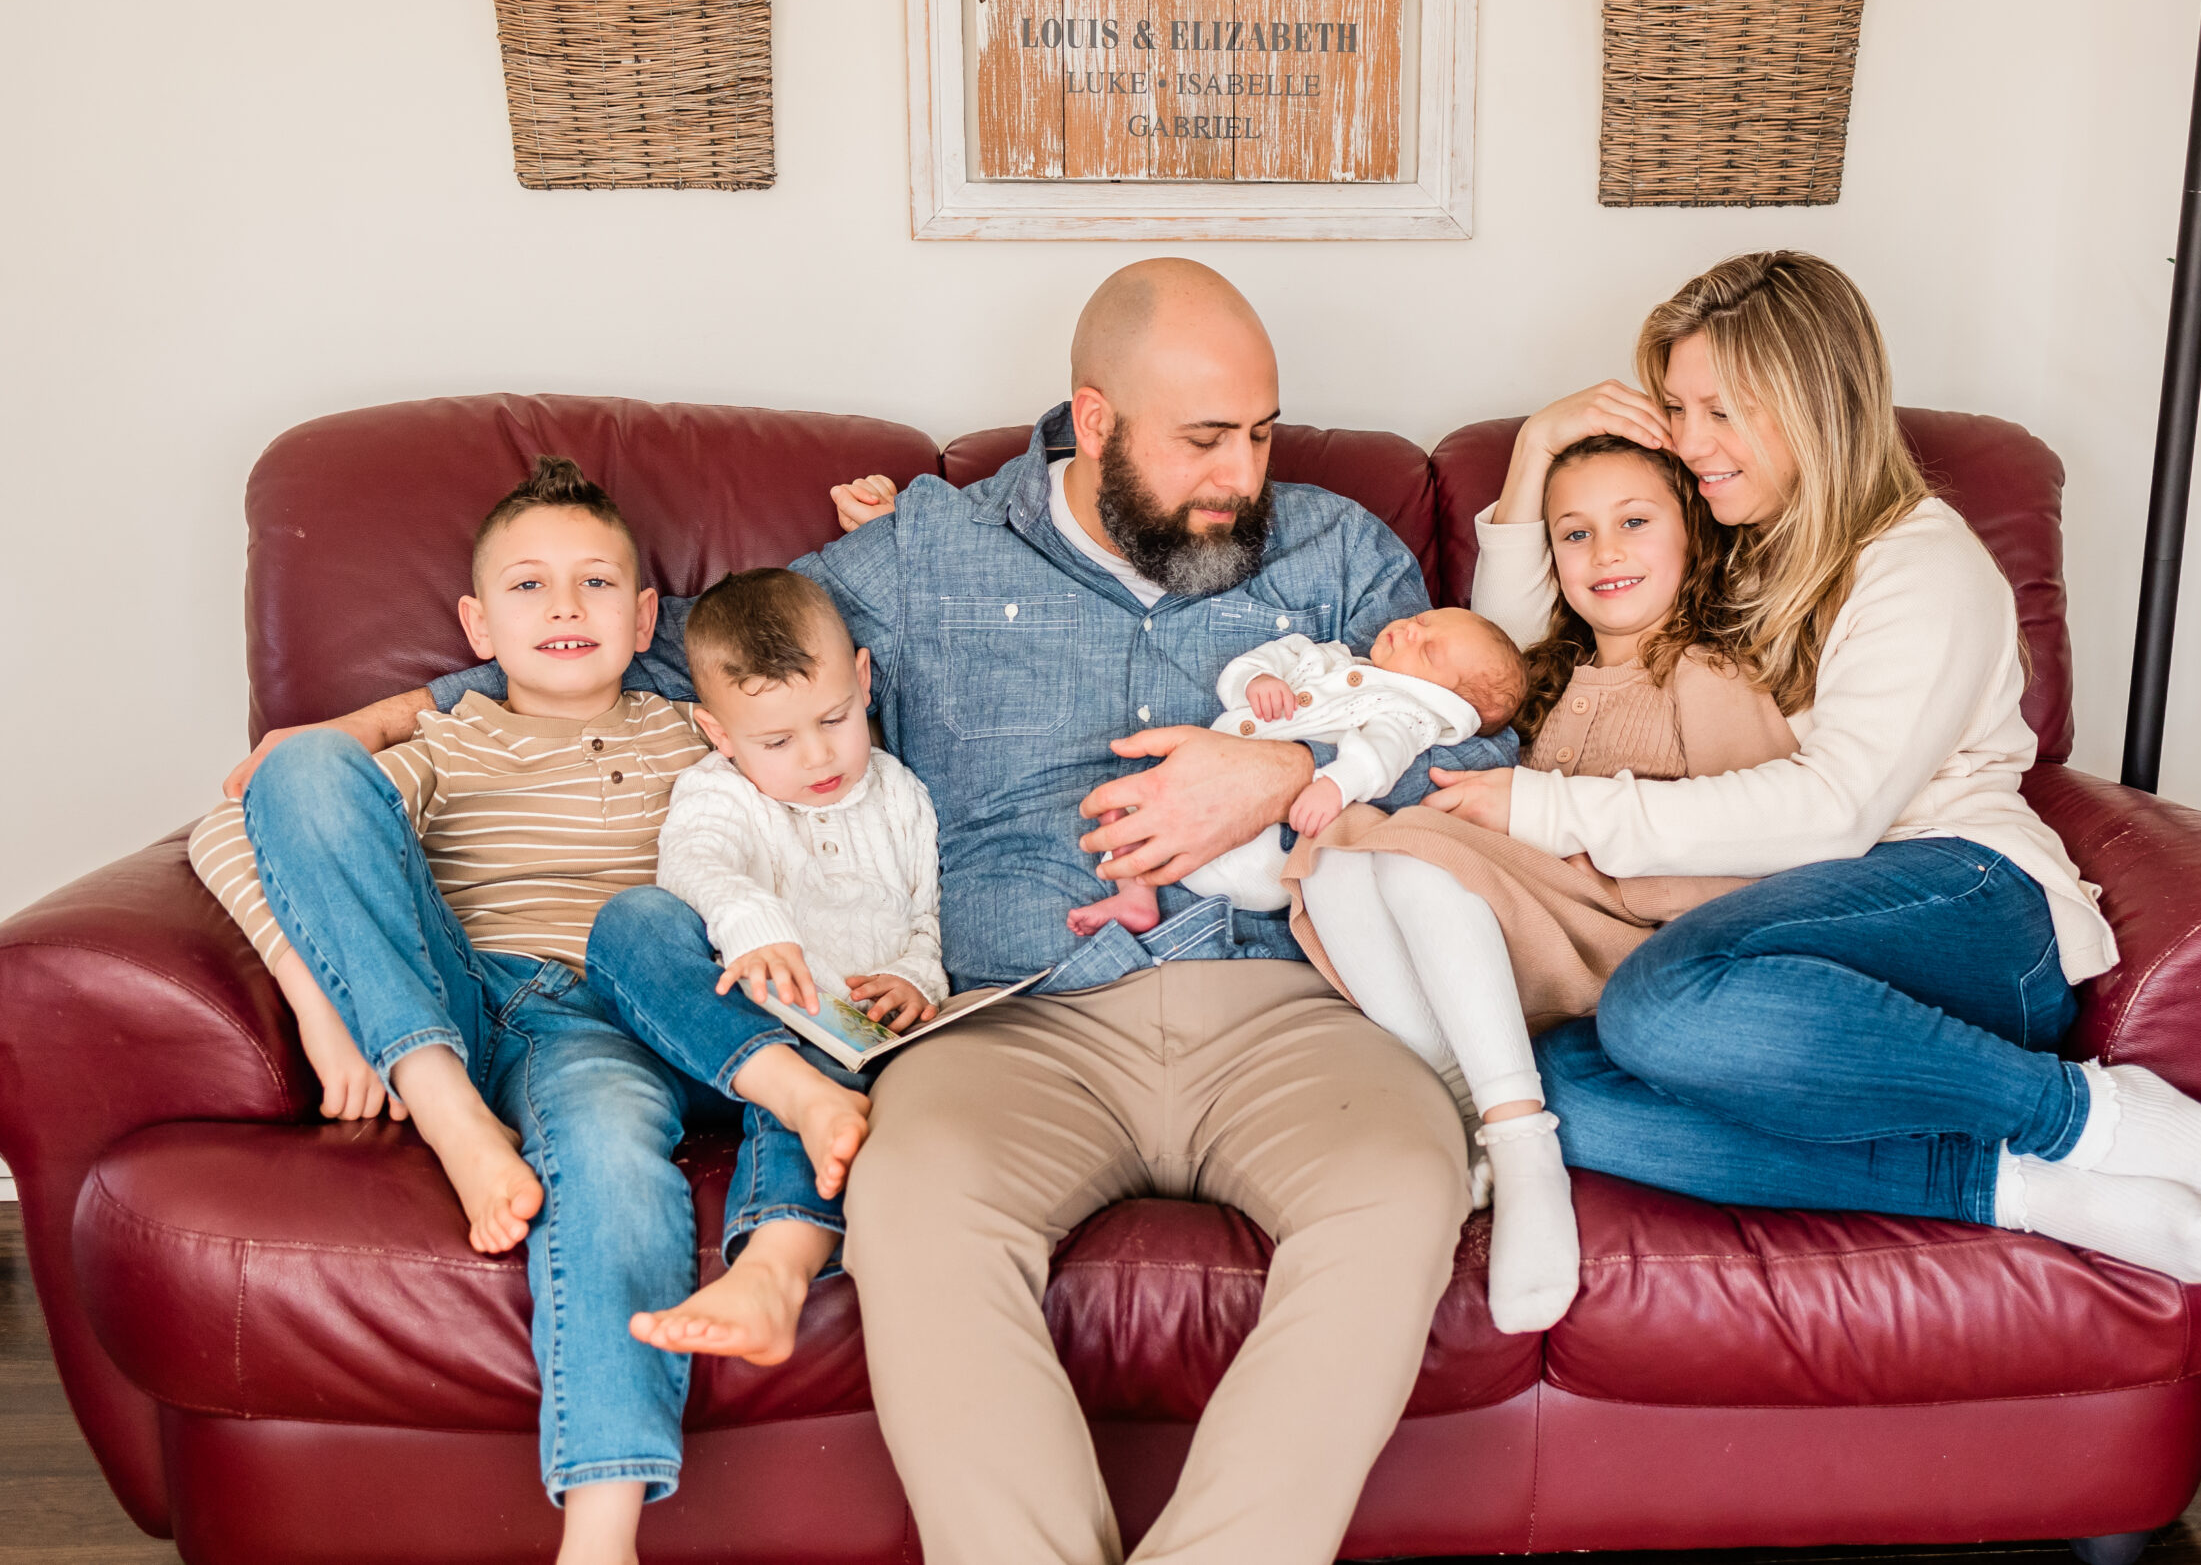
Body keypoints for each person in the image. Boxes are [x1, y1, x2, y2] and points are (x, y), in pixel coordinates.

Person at [229, 259, 1515, 1565]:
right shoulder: (929, 548)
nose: (1243, 473)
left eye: (1261, 432)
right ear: (1096, 416)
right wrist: (377, 717)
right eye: (1204, 441)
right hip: (1016, 1020)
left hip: (1290, 1002)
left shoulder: (1341, 549)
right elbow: (665, 664)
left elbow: (1491, 762)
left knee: (1406, 1184)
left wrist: (1289, 769)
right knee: (907, 1199)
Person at [1422, 250, 2201, 1285]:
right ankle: (2018, 1187)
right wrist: (1538, 450)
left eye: (1722, 411)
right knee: (1551, 1091)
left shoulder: (1918, 559)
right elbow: (1502, 680)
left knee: (1660, 1007)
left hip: (1964, 902)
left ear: (1815, 403)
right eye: (1678, 409)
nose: (1691, 443)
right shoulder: (1728, 544)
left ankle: (2091, 1117)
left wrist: (1546, 808)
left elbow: (1836, 812)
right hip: (1789, 935)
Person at [188, 458, 854, 1565]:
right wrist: (320, 1003)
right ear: (476, 623)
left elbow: (826, 779)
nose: (563, 608)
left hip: (664, 1004)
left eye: (597, 585)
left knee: (700, 1111)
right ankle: (446, 1110)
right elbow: (236, 828)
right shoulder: (450, 741)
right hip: (502, 1003)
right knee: (301, 764)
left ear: (648, 617)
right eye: (529, 587)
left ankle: (634, 1485)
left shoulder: (701, 731)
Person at [1288, 433, 1797, 1332]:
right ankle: (1459, 1088)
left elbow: (1759, 841)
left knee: (1411, 854)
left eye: (1635, 522)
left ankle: (1525, 1152)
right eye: (1574, 533)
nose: (1604, 552)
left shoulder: (1704, 670)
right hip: (1522, 930)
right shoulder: (1549, 681)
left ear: (1695, 539)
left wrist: (1563, 842)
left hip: (1635, 940)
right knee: (1339, 846)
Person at [600, 565, 945, 1216]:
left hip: (847, 1039)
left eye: (835, 718)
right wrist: (750, 918)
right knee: (633, 920)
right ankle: (799, 1092)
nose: (818, 756)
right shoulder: (717, 789)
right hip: (725, 1037)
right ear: (720, 734)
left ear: (864, 680)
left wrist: (916, 978)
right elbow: (691, 861)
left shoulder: (900, 794)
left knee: (827, 1087)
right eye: (779, 740)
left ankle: (775, 1253)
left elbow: (924, 912)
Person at [1069, 606, 1527, 934]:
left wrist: (1334, 783)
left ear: (1444, 701)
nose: (1409, 630)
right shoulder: (1335, 660)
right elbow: (1278, 654)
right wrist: (1256, 680)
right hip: (1193, 789)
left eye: (1428, 651)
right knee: (1133, 807)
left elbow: (1380, 758)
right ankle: (1136, 897)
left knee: (1280, 855)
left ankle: (1152, 891)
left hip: (1269, 843)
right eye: (1422, 620)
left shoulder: (1405, 713)